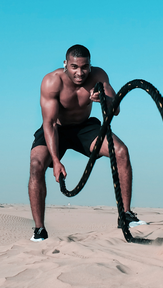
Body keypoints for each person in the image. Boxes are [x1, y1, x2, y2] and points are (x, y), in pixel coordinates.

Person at [28, 44, 146, 242]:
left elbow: (115, 109)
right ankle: (39, 229)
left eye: (84, 67)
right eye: (74, 67)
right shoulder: (52, 82)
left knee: (121, 152)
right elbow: (48, 123)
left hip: (84, 127)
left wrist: (104, 100)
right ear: (65, 64)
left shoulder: (98, 76)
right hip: (57, 129)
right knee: (36, 165)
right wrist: (56, 160)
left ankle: (125, 215)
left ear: (90, 66)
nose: (80, 72)